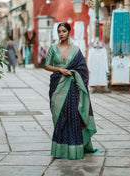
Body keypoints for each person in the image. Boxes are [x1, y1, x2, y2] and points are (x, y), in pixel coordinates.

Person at [44, 22, 97, 160]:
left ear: (69, 32)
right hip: (57, 86)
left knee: (72, 117)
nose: (61, 33)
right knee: (59, 117)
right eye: (59, 31)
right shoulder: (53, 48)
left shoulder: (76, 50)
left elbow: (83, 69)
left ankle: (74, 150)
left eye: (64, 31)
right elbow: (47, 65)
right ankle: (60, 150)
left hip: (72, 86)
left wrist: (73, 73)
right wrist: (60, 69)